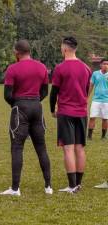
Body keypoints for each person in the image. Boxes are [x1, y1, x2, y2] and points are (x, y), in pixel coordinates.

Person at [0, 40, 52, 196]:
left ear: (17, 52)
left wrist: (17, 104)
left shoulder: (12, 69)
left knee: (17, 148)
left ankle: (15, 188)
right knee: (41, 147)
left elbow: (7, 95)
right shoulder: (42, 67)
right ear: (29, 51)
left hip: (20, 107)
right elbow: (44, 92)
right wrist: (34, 101)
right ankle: (48, 186)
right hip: (37, 107)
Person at [50, 36, 92, 193]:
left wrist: (52, 109)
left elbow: (54, 92)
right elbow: (87, 90)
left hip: (66, 112)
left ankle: (72, 185)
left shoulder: (60, 68)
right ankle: (78, 184)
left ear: (65, 48)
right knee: (80, 148)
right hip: (81, 112)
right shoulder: (87, 68)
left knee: (68, 148)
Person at [87, 58, 108, 140]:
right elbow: (91, 86)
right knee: (92, 117)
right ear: (100, 65)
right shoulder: (95, 74)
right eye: (104, 64)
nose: (106, 65)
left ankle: (103, 136)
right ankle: (89, 136)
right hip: (96, 100)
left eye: (107, 64)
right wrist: (86, 97)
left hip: (106, 101)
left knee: (105, 119)